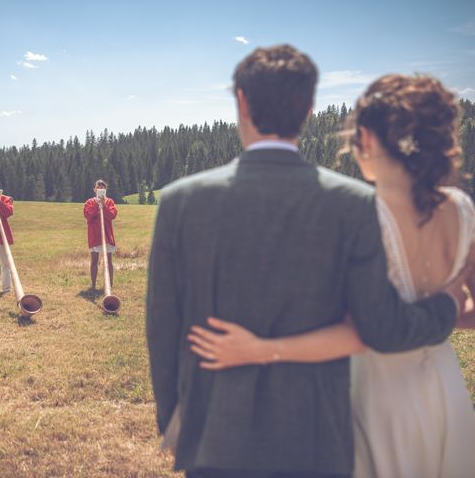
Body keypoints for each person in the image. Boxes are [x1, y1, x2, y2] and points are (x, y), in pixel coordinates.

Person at [146, 45, 470, 478]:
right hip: (318, 438)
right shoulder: (352, 203)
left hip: (213, 435)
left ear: (241, 101)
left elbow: (161, 327)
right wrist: (448, 303)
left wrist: (173, 421)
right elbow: (377, 327)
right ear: (310, 109)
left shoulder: (179, 201)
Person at [83, 179, 118, 290]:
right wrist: (97, 205)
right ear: (95, 189)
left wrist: (104, 206)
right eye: (98, 186)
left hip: (107, 236)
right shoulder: (89, 202)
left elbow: (112, 215)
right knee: (94, 260)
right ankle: (93, 285)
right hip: (95, 235)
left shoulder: (110, 202)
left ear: (105, 189)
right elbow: (88, 216)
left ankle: (109, 285)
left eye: (103, 186)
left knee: (108, 261)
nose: (101, 188)